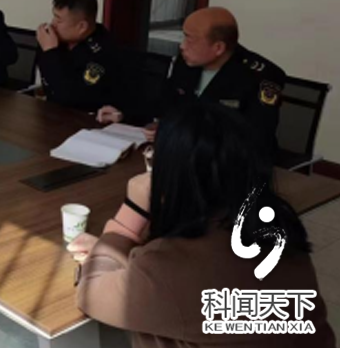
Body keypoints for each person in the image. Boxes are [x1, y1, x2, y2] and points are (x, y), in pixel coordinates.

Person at [69, 103, 335, 347]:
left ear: (170, 172)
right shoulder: (282, 233)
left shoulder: (170, 268)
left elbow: (91, 293)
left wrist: (127, 221)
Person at [98, 7, 285, 157]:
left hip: (234, 168)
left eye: (190, 39)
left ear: (218, 48)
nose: (182, 46)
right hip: (183, 158)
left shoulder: (261, 77)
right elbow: (164, 104)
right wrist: (124, 114)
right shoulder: (187, 63)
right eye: (183, 36)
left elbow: (255, 139)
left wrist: (178, 134)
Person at [36, 0, 129, 111]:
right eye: (54, 16)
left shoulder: (104, 51)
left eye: (59, 20)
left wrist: (51, 53)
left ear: (82, 27)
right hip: (51, 113)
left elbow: (70, 97)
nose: (53, 24)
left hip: (85, 118)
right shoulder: (57, 40)